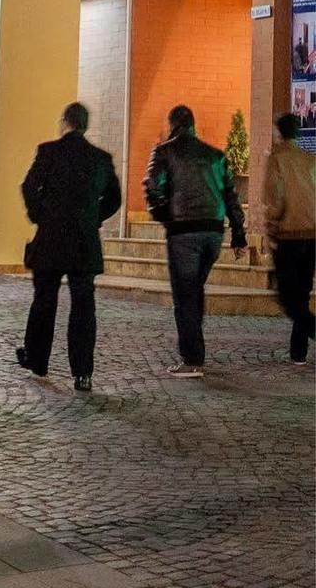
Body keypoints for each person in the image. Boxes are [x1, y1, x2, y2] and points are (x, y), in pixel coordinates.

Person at [16, 102, 121, 393]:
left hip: (50, 238)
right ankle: (82, 373)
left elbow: (28, 186)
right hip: (83, 242)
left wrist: (39, 214)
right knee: (83, 306)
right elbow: (114, 198)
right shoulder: (100, 158)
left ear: (65, 122)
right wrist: (92, 218)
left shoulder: (48, 151)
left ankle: (38, 361)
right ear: (86, 125)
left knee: (44, 300)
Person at [144, 103, 247, 379]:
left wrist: (165, 215)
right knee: (196, 289)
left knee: (185, 294)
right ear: (193, 124)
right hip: (212, 232)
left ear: (172, 124)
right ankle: (195, 349)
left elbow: (152, 186)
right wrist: (238, 234)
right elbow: (231, 196)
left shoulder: (165, 151)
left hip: (183, 232)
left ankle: (192, 359)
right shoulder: (215, 155)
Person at [263, 111, 315, 366]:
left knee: (286, 296)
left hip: (289, 235)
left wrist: (271, 230)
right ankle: (298, 352)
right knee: (302, 294)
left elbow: (275, 199)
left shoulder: (277, 159)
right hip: (312, 235)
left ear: (279, 132)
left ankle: (308, 336)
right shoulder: (309, 159)